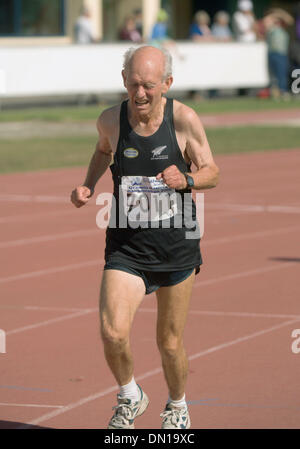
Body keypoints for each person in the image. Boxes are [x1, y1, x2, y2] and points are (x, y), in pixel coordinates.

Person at [70, 45, 219, 429]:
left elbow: (212, 172)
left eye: (149, 85)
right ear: (123, 80)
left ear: (167, 83)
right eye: (133, 83)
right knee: (112, 331)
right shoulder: (110, 120)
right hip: (127, 247)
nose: (140, 94)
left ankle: (178, 406)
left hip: (176, 247)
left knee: (169, 343)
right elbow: (104, 150)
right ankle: (129, 395)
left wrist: (186, 179)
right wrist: (88, 185)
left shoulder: (183, 119)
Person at [263, 8, 294, 99]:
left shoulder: (282, 27)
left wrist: (279, 13)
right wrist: (273, 16)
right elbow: (266, 22)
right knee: (274, 75)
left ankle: (283, 91)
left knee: (282, 73)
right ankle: (275, 93)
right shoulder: (271, 27)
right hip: (273, 53)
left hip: (282, 53)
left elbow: (290, 20)